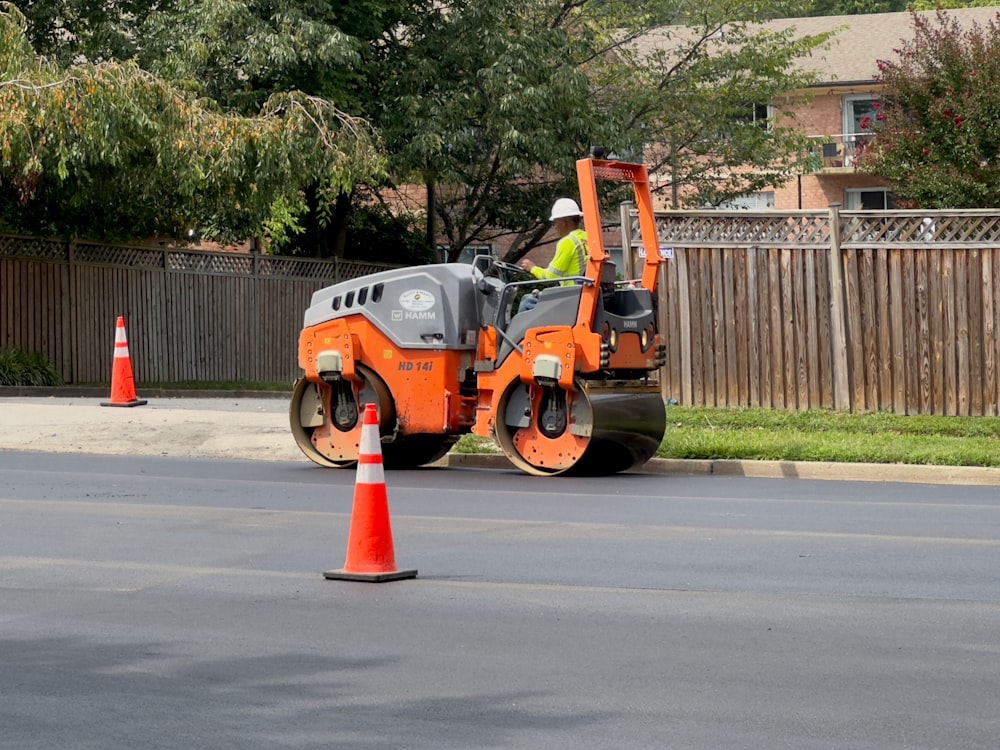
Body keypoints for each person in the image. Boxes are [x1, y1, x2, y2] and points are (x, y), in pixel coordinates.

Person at [516, 198, 588, 312]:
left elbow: (550, 276)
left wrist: (532, 268)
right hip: (582, 295)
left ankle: (517, 330)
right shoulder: (586, 238)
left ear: (563, 223)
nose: (555, 227)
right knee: (528, 298)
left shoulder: (568, 241)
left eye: (555, 223)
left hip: (571, 298)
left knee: (527, 302)